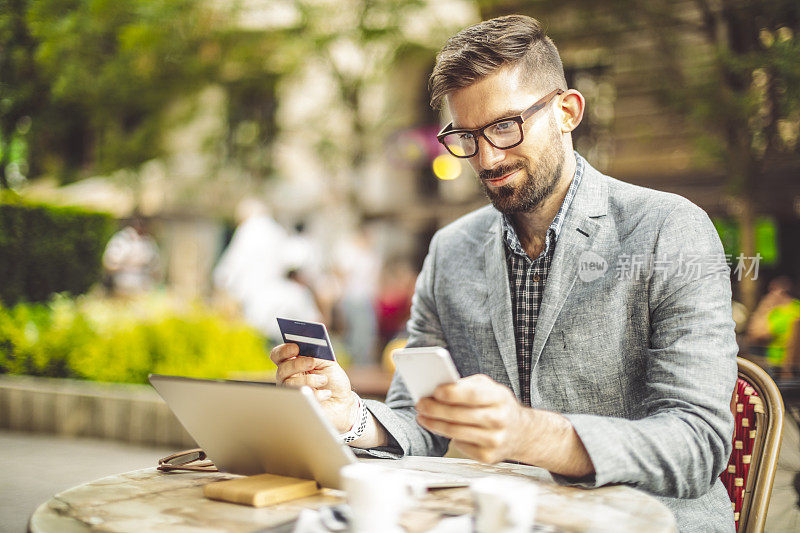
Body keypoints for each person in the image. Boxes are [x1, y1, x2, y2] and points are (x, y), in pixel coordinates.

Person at [271, 15, 737, 532]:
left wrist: (529, 434)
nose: (487, 157)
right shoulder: (451, 250)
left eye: (504, 126)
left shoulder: (671, 230)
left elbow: (699, 444)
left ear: (567, 111)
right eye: (467, 136)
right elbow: (420, 419)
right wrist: (351, 417)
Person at [102, 215, 161, 296]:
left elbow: (155, 263)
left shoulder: (148, 241)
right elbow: (110, 262)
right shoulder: (122, 240)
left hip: (143, 284)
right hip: (122, 281)